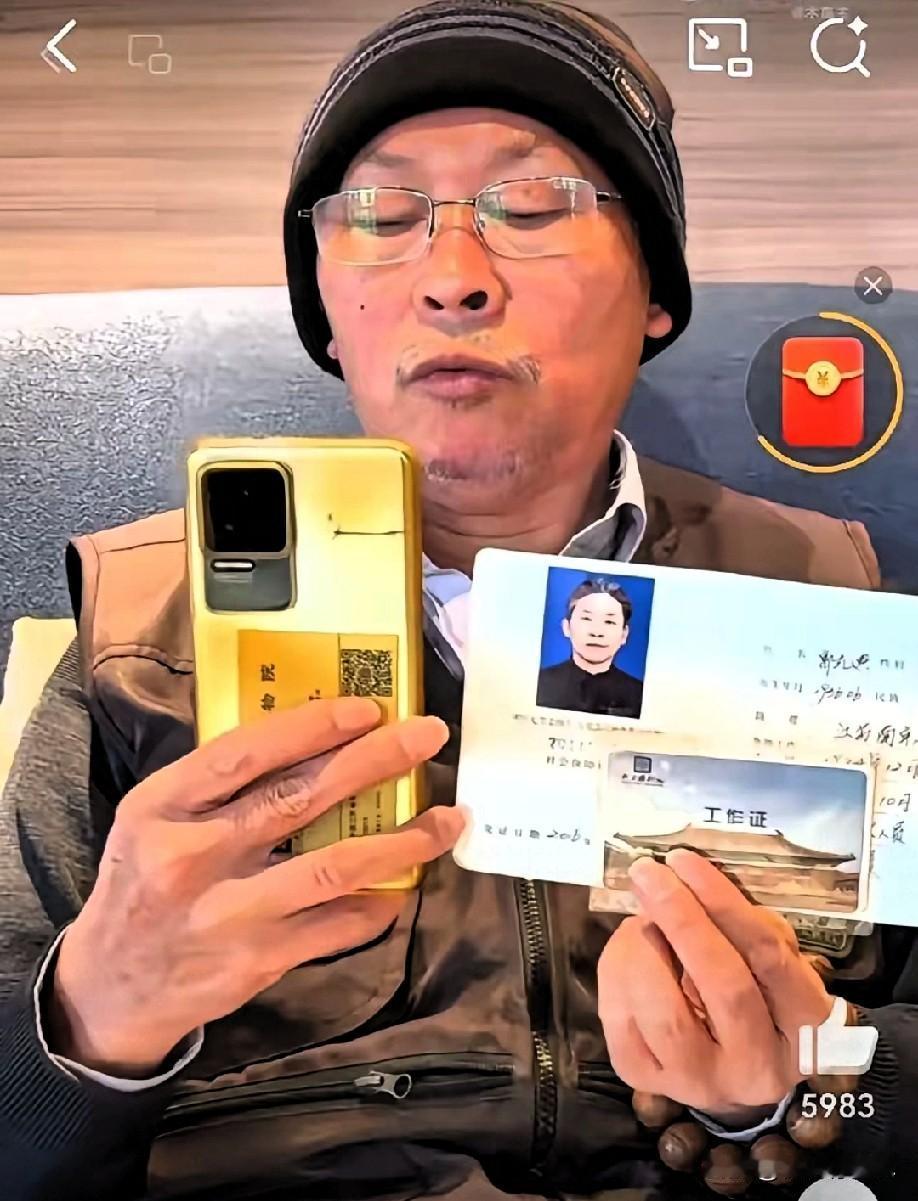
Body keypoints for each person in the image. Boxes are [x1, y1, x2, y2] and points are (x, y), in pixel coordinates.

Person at [1, 3, 915, 1199]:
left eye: (531, 208)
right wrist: (88, 1028)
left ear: (656, 288)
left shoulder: (821, 599)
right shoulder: (139, 639)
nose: (452, 279)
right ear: (326, 311)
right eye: (384, 218)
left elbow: (887, 1084)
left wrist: (811, 1084)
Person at [536, 578, 644, 717]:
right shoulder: (538, 683)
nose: (596, 632)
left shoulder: (641, 695)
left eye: (609, 621)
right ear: (566, 627)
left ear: (624, 634)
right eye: (586, 619)